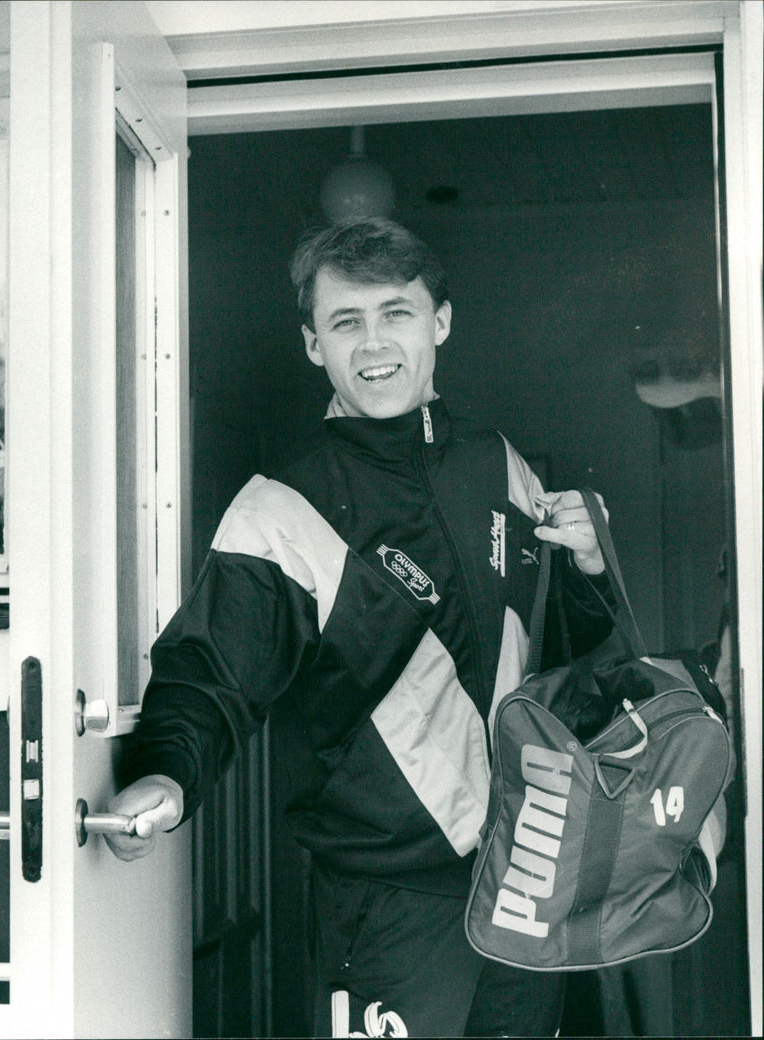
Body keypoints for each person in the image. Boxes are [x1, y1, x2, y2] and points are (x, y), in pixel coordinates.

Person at [106, 218, 615, 1038]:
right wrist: (167, 776)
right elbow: (210, 672)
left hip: (529, 871)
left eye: (396, 313)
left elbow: (553, 654)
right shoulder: (282, 506)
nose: (373, 342)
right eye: (346, 322)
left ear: (439, 322)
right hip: (388, 903)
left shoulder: (501, 465)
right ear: (314, 344)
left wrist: (592, 569)